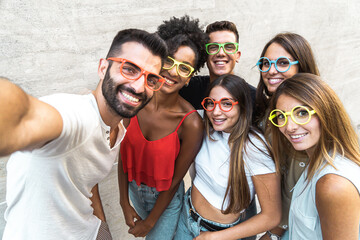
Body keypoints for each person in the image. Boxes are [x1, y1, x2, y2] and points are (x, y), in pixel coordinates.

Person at [0, 29, 167, 240]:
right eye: (129, 69)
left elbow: (88, 180)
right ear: (103, 68)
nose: (139, 87)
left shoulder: (118, 128)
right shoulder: (77, 116)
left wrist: (102, 228)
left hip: (88, 230)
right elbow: (25, 116)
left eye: (151, 79)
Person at [118, 16, 207, 240]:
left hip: (165, 202)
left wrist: (150, 222)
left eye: (185, 68)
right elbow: (123, 154)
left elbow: (175, 179)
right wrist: (123, 202)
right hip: (133, 192)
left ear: (190, 78)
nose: (174, 72)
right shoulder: (135, 100)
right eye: (169, 61)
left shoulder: (191, 123)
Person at [174, 74, 281, 240]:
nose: (216, 112)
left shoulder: (254, 147)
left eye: (226, 104)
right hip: (186, 217)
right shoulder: (205, 125)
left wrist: (213, 237)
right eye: (211, 103)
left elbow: (271, 216)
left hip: (218, 233)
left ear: (243, 106)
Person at [268, 73, 360, 239]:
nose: (290, 127)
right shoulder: (315, 163)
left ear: (326, 112)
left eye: (302, 113)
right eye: (281, 116)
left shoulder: (332, 184)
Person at [254, 33, 320, 240]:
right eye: (266, 63)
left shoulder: (310, 118)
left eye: (283, 63)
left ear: (302, 66)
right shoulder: (270, 111)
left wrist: (273, 233)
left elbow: (295, 183)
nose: (271, 70)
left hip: (301, 226)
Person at [179, 20, 256, 110]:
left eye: (229, 47)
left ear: (237, 55)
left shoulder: (253, 97)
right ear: (205, 55)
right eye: (213, 47)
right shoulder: (189, 89)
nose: (221, 53)